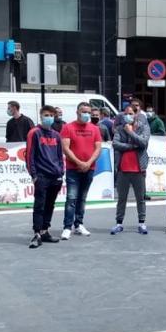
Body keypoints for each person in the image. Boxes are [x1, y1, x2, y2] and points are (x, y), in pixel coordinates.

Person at [59, 102, 103, 239]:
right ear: (77, 112)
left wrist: (88, 163)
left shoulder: (95, 129)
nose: (86, 114)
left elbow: (98, 148)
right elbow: (65, 148)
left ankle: (78, 224)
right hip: (73, 169)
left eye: (88, 112)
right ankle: (67, 227)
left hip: (89, 168)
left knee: (82, 198)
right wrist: (79, 162)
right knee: (71, 198)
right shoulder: (68, 127)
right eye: (84, 112)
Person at [25, 105, 65, 249]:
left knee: (50, 205)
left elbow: (60, 156)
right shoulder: (34, 133)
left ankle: (45, 231)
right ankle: (37, 233)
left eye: (51, 115)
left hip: (55, 176)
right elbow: (29, 155)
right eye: (46, 115)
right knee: (39, 205)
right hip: (41, 176)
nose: (49, 118)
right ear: (41, 116)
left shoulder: (56, 135)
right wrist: (34, 175)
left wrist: (61, 172)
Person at [110, 105, 149, 235]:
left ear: (136, 114)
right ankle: (119, 223)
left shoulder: (143, 127)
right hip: (123, 168)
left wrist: (130, 132)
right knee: (122, 198)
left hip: (139, 169)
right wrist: (132, 146)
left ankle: (142, 223)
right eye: (126, 113)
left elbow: (143, 143)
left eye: (131, 113)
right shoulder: (120, 128)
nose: (128, 116)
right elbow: (116, 144)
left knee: (140, 198)